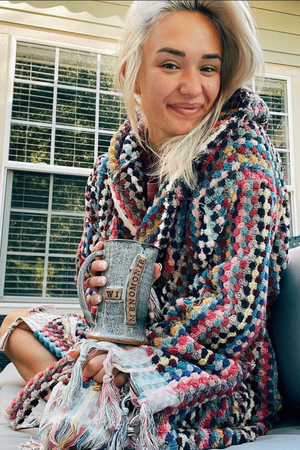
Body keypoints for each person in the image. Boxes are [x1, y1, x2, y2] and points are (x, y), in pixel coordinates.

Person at [0, 0, 290, 449]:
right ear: (133, 72)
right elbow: (96, 289)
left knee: (126, 396)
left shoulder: (244, 165)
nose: (193, 87)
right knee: (15, 327)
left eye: (208, 69)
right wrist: (96, 285)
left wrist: (134, 358)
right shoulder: (110, 170)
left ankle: (86, 393)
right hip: (124, 339)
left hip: (214, 363)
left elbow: (235, 311)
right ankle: (88, 388)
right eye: (171, 64)